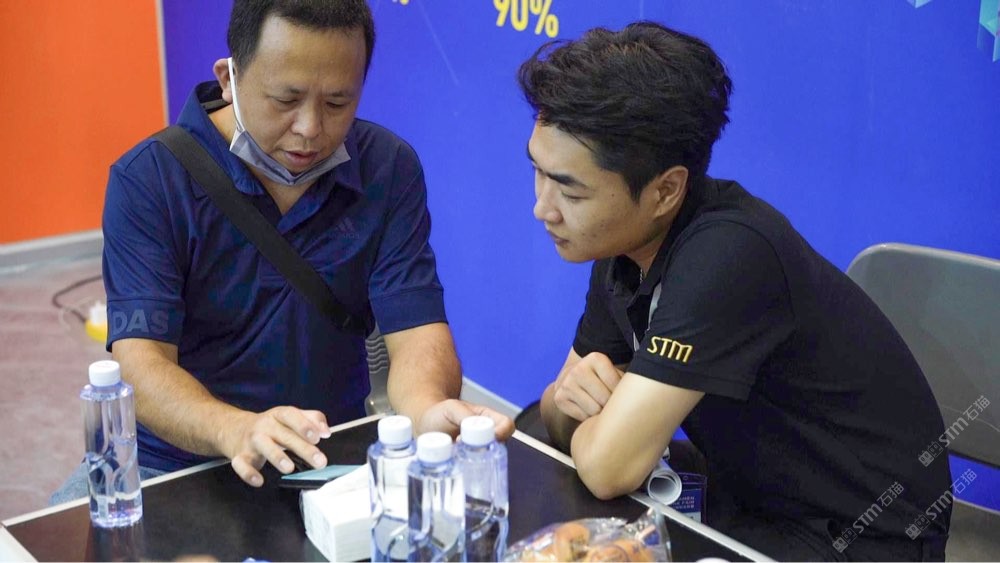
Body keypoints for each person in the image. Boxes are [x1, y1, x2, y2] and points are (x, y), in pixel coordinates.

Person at [520, 22, 951, 561]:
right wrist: (573, 410)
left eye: (570, 191)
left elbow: (609, 466)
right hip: (748, 491)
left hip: (855, 534)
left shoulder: (730, 253)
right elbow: (558, 408)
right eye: (538, 173)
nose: (542, 208)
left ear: (665, 190)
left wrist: (586, 422)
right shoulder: (624, 241)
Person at [52, 0, 512, 501]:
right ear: (228, 79)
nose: (310, 128)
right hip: (171, 466)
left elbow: (416, 328)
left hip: (323, 458)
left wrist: (426, 410)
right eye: (285, 100)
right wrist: (234, 429)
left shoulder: (388, 168)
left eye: (337, 103)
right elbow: (140, 363)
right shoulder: (150, 179)